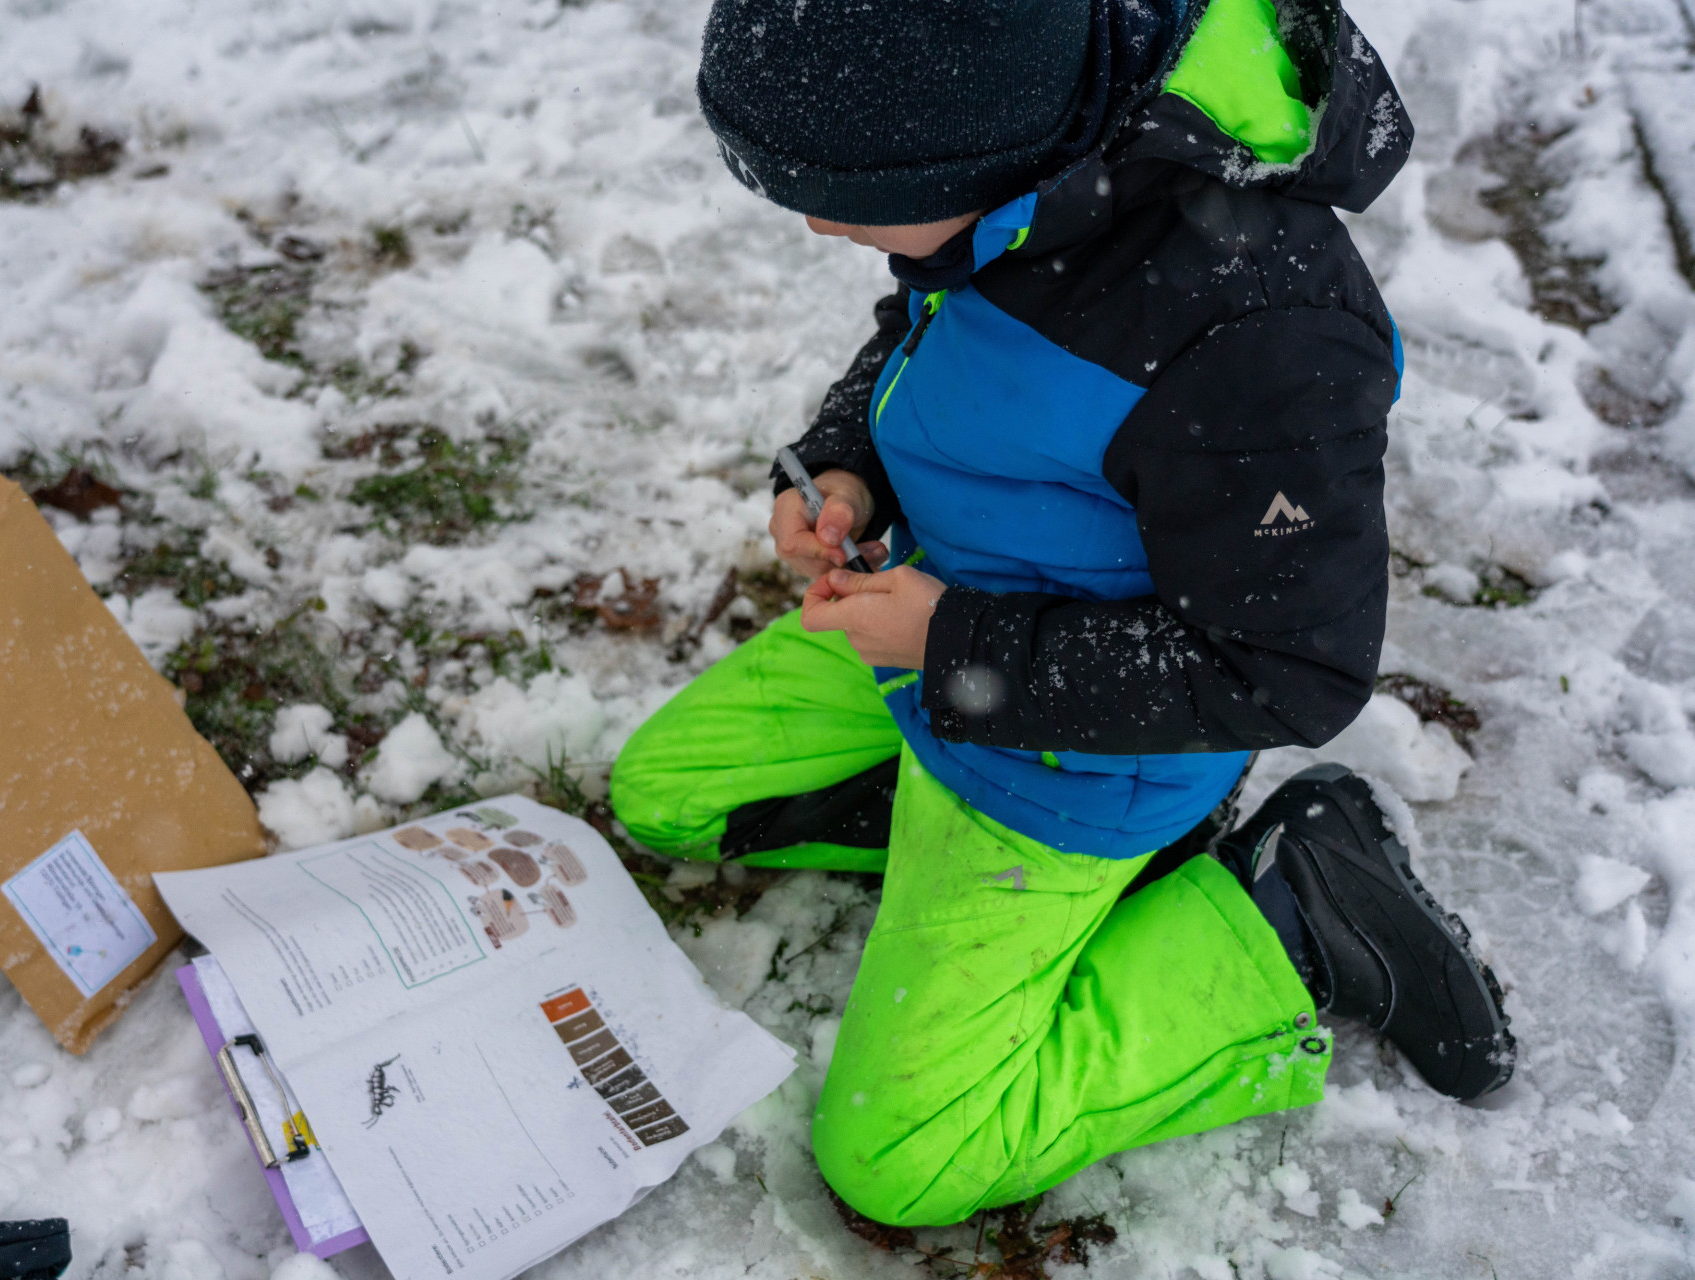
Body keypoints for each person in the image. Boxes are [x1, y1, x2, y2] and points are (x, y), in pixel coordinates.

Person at [611, 0, 1515, 1228]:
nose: (819, 222)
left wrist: (951, 643)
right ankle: (968, 842)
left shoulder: (1259, 339)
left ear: (979, 157)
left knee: (907, 1160)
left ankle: (1294, 911)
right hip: (937, 650)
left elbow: (1291, 669)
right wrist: (843, 465)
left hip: (1080, 753)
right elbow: (925, 331)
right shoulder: (1032, 170)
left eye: (843, 194)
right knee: (669, 793)